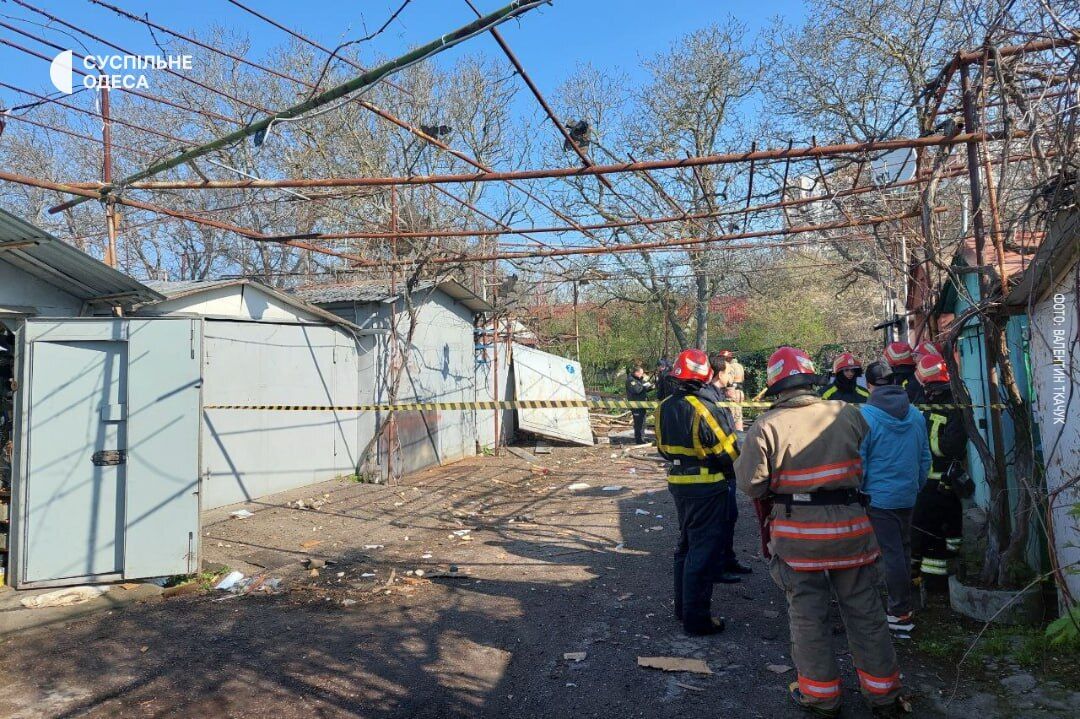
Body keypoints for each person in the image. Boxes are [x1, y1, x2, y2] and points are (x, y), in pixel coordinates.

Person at [735, 347, 907, 718]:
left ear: (775, 384)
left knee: (808, 617)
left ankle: (822, 697)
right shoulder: (849, 414)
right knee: (866, 613)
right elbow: (867, 454)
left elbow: (751, 485)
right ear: (812, 378)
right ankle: (884, 694)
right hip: (852, 531)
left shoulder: (765, 426)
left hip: (799, 540)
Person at [654, 348, 740, 636]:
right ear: (705, 376)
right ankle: (697, 619)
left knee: (686, 546)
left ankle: (682, 609)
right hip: (708, 485)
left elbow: (663, 450)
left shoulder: (663, 406)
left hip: (679, 484)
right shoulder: (706, 408)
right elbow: (728, 452)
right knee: (702, 553)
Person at [860, 361, 930, 636]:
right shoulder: (915, 414)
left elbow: (860, 460)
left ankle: (899, 613)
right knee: (902, 550)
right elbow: (924, 456)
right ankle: (904, 606)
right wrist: (915, 485)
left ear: (869, 386)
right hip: (907, 494)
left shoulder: (865, 415)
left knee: (891, 554)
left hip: (879, 498)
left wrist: (861, 490)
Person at [911, 354, 967, 591]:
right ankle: (926, 574)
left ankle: (934, 585)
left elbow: (952, 445)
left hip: (938, 480)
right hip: (934, 480)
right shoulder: (942, 400)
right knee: (935, 528)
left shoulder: (950, 403)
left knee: (933, 531)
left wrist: (925, 447)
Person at [701, 353, 753, 583]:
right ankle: (718, 565)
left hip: (728, 466)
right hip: (720, 469)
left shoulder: (719, 395)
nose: (733, 375)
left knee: (730, 517)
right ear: (719, 373)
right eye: (729, 372)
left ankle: (728, 558)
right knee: (720, 520)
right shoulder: (708, 398)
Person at [625, 364, 655, 444]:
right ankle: (639, 440)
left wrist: (650, 387)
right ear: (636, 372)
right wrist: (644, 386)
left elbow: (642, 389)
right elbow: (637, 390)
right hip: (636, 405)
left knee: (643, 422)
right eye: (641, 373)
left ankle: (642, 438)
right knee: (638, 423)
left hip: (642, 404)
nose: (642, 375)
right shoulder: (631, 380)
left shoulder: (638, 380)